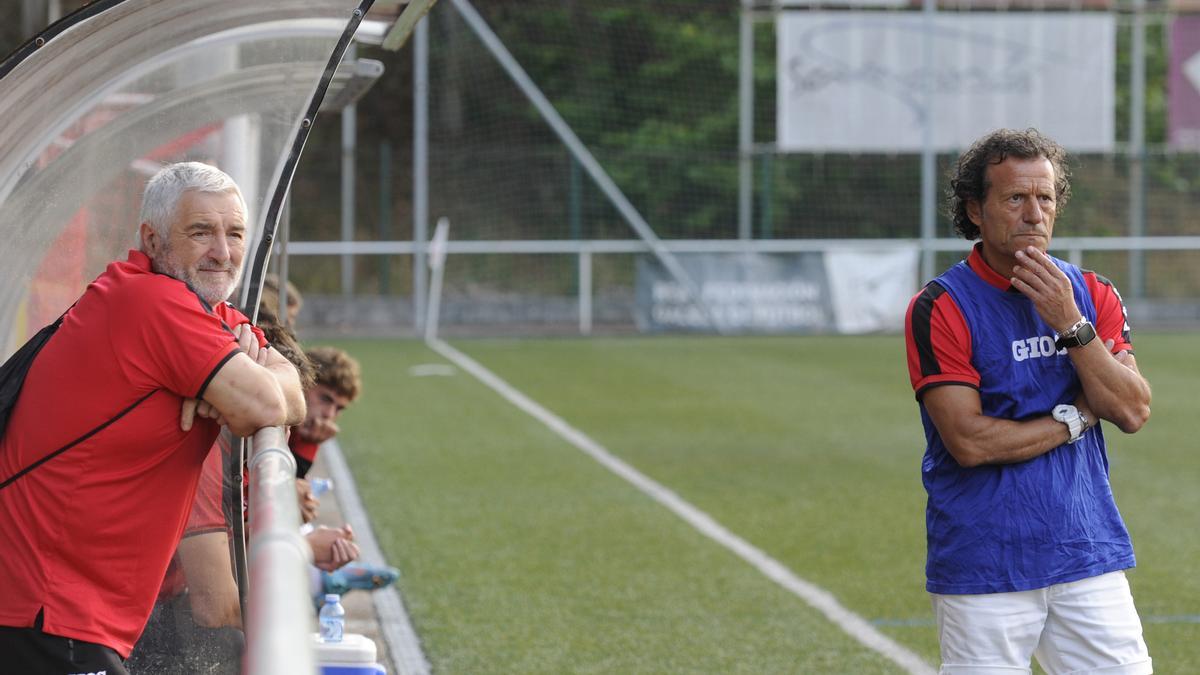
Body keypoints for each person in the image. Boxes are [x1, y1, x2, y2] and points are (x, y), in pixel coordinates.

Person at [0, 162, 306, 674]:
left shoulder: (199, 308)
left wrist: (248, 380)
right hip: (47, 609)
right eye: (201, 232)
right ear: (153, 239)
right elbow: (265, 407)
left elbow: (289, 385)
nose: (222, 252)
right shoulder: (153, 300)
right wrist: (245, 386)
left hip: (63, 611)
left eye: (234, 234)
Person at [904, 128, 1153, 674]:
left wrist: (1070, 324)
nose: (1034, 213)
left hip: (1086, 553)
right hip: (983, 563)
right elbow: (969, 441)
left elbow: (1132, 409)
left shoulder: (1092, 292)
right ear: (975, 209)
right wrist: (1076, 417)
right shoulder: (941, 307)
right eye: (1015, 198)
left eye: (1045, 198)